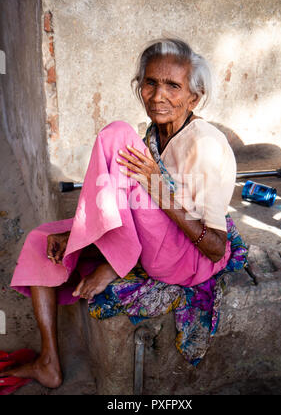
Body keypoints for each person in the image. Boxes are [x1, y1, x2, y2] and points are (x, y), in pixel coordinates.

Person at [1, 38, 236, 388]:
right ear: (139, 87)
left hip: (188, 260)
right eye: (150, 83)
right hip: (154, 237)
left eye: (173, 86)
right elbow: (129, 201)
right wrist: (78, 235)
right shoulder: (156, 133)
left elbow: (216, 248)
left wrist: (157, 187)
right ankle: (48, 362)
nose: (158, 96)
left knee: (116, 135)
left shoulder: (206, 146)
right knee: (42, 240)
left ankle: (115, 261)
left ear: (194, 97)